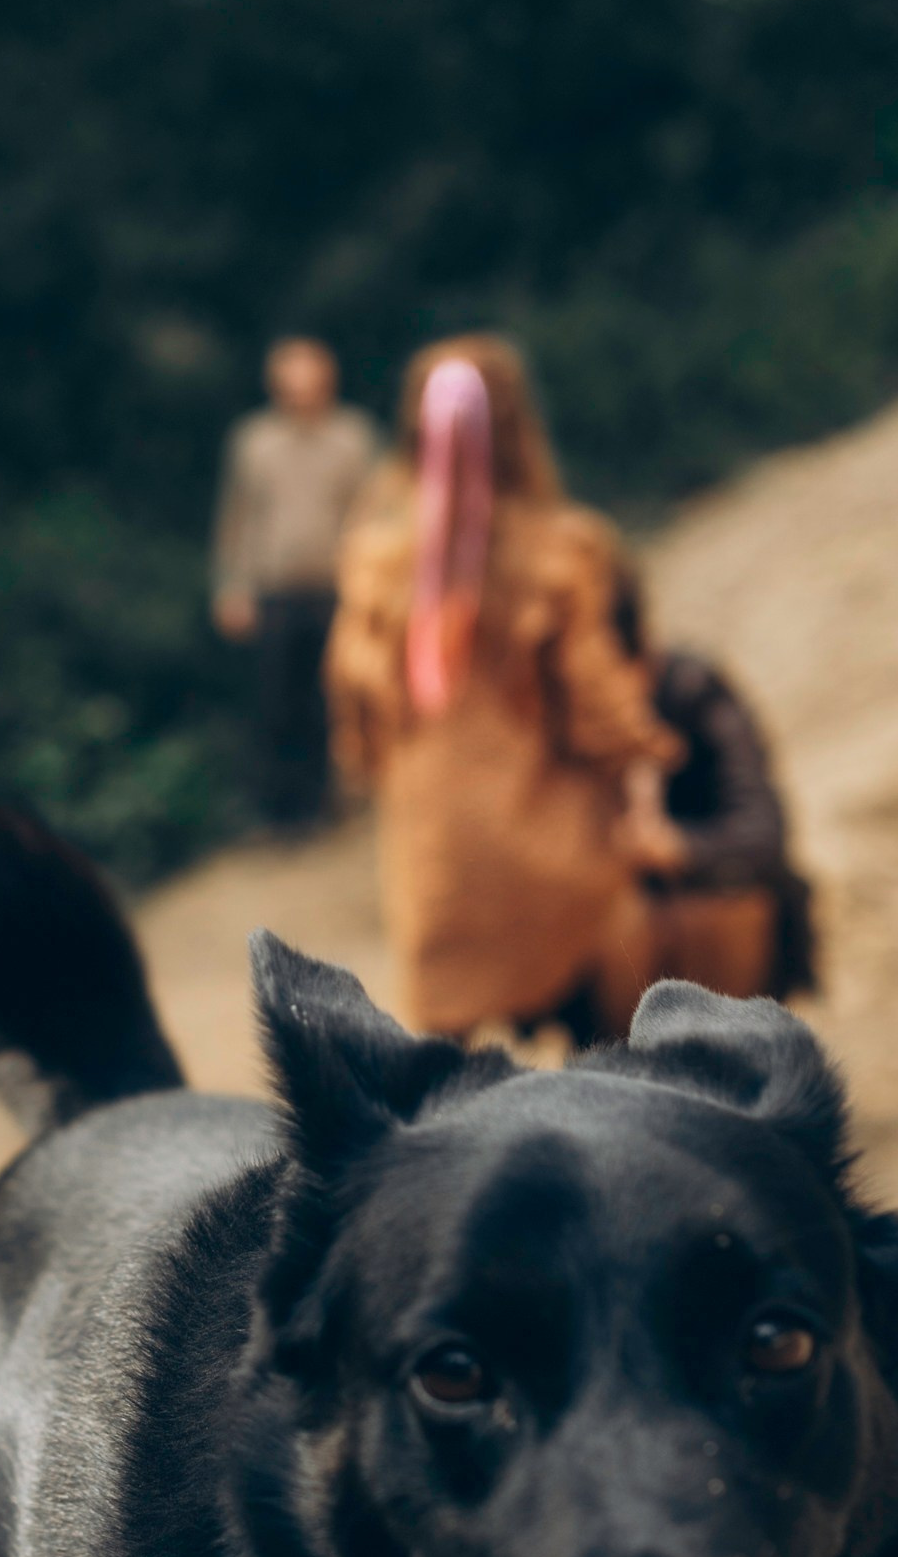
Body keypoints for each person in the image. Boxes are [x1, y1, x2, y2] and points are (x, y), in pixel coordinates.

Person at [323, 336, 680, 1036]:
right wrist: (642, 773)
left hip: (437, 864)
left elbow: (356, 702)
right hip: (548, 857)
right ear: (521, 423)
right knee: (609, 1012)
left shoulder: (375, 560)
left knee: (447, 1040)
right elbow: (596, 702)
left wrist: (370, 766)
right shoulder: (562, 548)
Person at [555, 564, 819, 1041]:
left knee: (723, 912)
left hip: (718, 923)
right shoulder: (557, 730)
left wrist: (678, 847)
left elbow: (763, 831)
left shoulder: (692, 691)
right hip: (609, 971)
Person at [211, 338, 379, 830]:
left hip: (339, 588)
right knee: (277, 705)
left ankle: (337, 802)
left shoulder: (354, 436)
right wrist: (230, 587)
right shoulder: (253, 441)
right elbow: (237, 520)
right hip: (275, 592)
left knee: (336, 700)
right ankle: (283, 813)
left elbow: (372, 511)